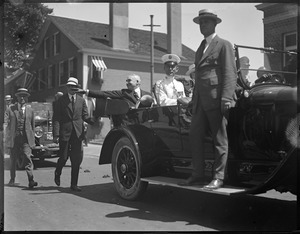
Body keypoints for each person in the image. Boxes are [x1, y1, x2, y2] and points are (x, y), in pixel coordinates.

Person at [180, 9, 237, 190]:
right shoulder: (200, 48)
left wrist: (227, 97)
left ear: (214, 24)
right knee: (194, 135)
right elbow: (199, 78)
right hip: (199, 102)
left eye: (206, 22)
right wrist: (193, 100)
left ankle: (218, 177)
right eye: (201, 22)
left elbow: (230, 72)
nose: (202, 25)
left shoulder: (223, 44)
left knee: (220, 139)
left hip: (216, 99)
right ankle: (198, 175)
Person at [52, 77, 94, 192]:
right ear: (67, 87)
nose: (72, 89)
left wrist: (92, 121)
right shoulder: (61, 100)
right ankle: (58, 171)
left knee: (76, 159)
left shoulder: (81, 100)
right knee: (64, 157)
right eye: (70, 87)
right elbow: (56, 118)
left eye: (74, 87)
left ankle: (74, 184)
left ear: (77, 88)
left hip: (77, 133)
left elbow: (85, 116)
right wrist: (56, 135)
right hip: (64, 133)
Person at [6, 88, 38, 188]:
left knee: (28, 158)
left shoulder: (30, 110)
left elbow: (32, 126)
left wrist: (32, 140)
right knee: (13, 159)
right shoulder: (11, 109)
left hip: (26, 139)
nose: (22, 98)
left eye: (24, 96)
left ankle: (31, 180)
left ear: (27, 98)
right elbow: (7, 123)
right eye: (20, 96)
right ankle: (12, 179)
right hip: (15, 138)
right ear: (17, 97)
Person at [76, 74, 151, 108]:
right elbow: (105, 93)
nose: (127, 83)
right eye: (126, 81)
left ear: (137, 82)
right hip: (129, 124)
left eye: (129, 81)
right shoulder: (123, 93)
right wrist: (86, 91)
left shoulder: (148, 95)